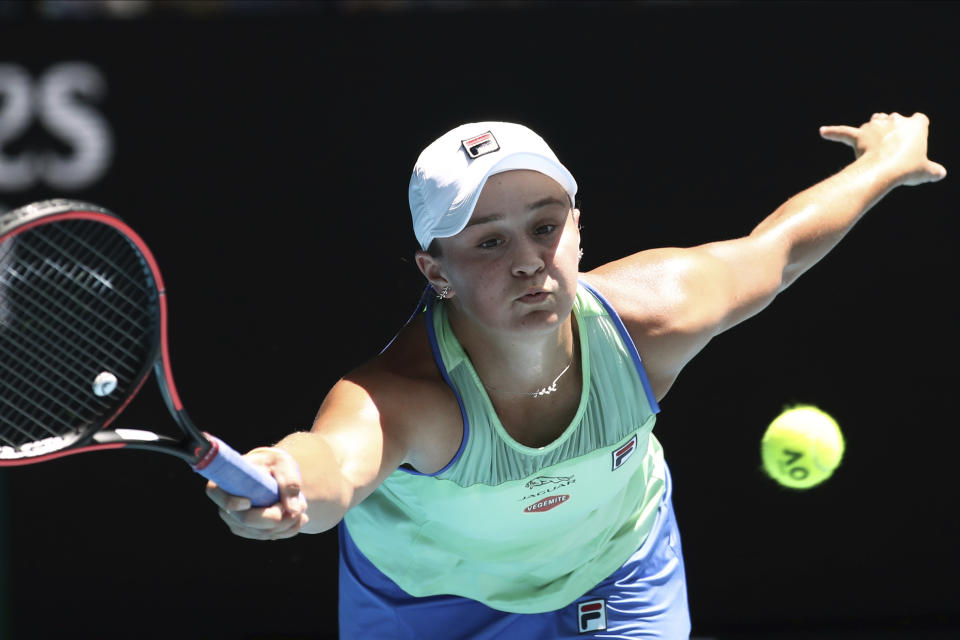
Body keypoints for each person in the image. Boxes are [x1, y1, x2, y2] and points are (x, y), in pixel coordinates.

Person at [206, 114, 945, 638]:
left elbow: (777, 251)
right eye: (489, 240)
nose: (528, 258)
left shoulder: (658, 315)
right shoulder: (408, 395)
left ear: (579, 229)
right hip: (429, 604)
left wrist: (885, 162)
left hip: (615, 567)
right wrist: (290, 479)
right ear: (437, 273)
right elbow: (333, 462)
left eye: (545, 223)